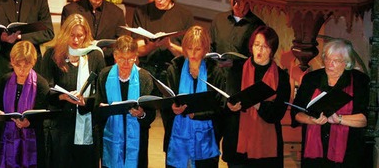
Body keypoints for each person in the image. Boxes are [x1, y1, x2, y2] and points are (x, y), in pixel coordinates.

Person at [40, 14, 106, 168]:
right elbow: (45, 89)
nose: (76, 40)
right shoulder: (52, 54)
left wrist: (87, 101)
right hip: (61, 125)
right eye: (72, 35)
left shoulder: (94, 55)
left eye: (80, 36)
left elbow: (102, 92)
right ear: (64, 33)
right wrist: (63, 97)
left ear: (86, 35)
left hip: (87, 124)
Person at [291, 39, 369, 167]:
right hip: (315, 153)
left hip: (348, 153)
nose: (329, 64)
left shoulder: (359, 81)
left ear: (346, 62)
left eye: (336, 61)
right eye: (327, 59)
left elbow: (365, 119)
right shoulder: (311, 79)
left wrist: (338, 119)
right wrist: (311, 120)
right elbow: (296, 112)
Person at [221, 26, 290, 167]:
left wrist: (258, 104)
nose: (259, 50)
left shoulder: (281, 77)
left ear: (272, 50)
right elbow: (225, 100)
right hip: (238, 143)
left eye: (265, 46)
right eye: (256, 45)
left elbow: (277, 113)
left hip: (266, 147)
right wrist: (229, 106)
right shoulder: (236, 69)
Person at [162, 25, 225, 168]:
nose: (193, 53)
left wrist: (197, 114)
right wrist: (172, 108)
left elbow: (220, 108)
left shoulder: (214, 71)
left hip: (206, 141)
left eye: (198, 49)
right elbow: (166, 102)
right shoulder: (175, 69)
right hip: (178, 139)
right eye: (189, 48)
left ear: (205, 49)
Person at [95, 35, 155, 168]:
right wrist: (103, 109)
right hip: (111, 137)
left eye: (130, 59)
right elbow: (97, 111)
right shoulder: (104, 75)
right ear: (115, 56)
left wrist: (141, 114)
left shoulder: (144, 77)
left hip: (137, 140)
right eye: (122, 58)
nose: (126, 63)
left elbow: (151, 115)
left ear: (136, 57)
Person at [0, 40, 49, 168]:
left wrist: (29, 123)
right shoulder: (4, 81)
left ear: (33, 63)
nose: (22, 70)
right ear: (12, 61)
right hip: (6, 141)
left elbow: (44, 119)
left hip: (31, 144)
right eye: (18, 65)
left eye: (26, 66)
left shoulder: (41, 84)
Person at [132, 0, 193, 78]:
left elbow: (189, 54)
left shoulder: (184, 15)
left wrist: (169, 45)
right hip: (147, 70)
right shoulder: (142, 12)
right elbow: (137, 50)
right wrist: (152, 46)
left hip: (173, 71)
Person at [61, 0, 127, 65]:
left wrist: (100, 52)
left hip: (105, 65)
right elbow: (64, 41)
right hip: (77, 63)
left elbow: (121, 45)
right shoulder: (70, 10)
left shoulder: (117, 13)